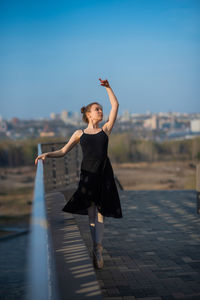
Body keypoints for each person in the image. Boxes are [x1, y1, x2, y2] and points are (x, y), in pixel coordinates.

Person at [35, 78, 123, 269]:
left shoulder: (106, 130)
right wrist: (47, 154)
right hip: (88, 176)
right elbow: (63, 151)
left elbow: (115, 105)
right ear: (89, 114)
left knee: (101, 214)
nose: (101, 111)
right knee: (92, 213)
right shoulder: (79, 134)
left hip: (104, 175)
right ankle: (95, 247)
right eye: (97, 109)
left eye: (101, 109)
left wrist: (108, 87)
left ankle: (98, 248)